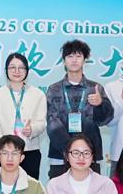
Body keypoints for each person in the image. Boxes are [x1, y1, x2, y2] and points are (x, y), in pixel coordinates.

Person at [46, 40, 113, 178]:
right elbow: (52, 123)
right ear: (64, 61)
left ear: (85, 60)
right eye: (70, 56)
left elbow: (105, 120)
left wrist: (100, 104)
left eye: (78, 56)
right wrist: (70, 150)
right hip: (60, 155)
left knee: (92, 190)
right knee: (59, 191)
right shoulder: (54, 89)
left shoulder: (95, 88)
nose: (74, 60)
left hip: (90, 154)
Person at [0, 52, 47, 179]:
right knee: (3, 186)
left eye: (21, 68)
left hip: (29, 150)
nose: (17, 71)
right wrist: (2, 149)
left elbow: (42, 122)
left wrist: (32, 129)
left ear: (27, 71)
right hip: (4, 154)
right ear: (6, 70)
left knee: (29, 187)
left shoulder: (38, 94)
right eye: (12, 67)